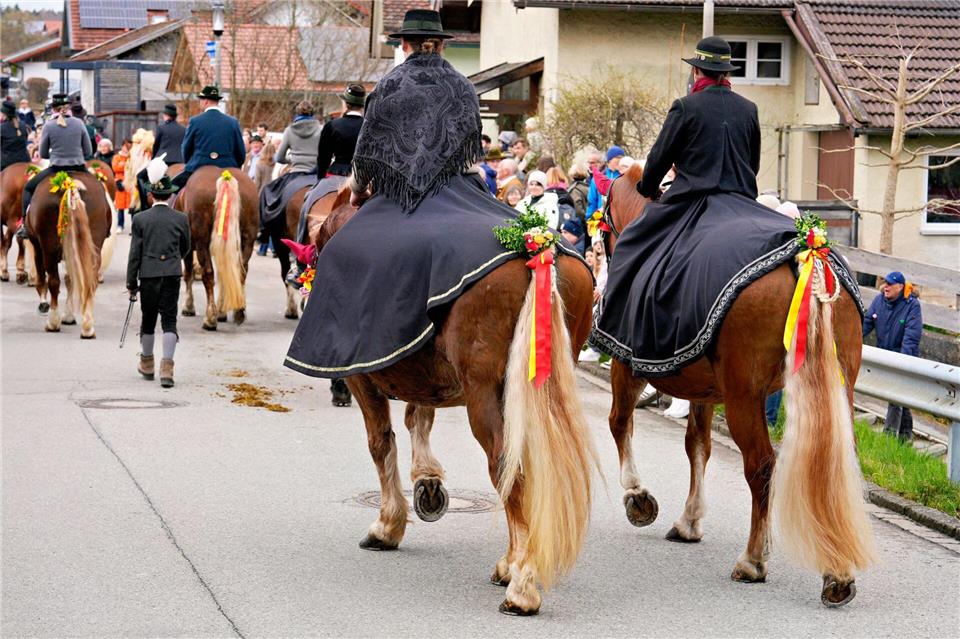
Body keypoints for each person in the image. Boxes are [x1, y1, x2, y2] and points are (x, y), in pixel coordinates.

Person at [591, 37, 812, 386]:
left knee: (633, 242)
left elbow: (656, 167)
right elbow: (751, 166)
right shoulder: (748, 109)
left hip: (691, 203)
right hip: (741, 202)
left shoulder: (685, 107)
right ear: (727, 72)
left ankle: (621, 336)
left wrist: (649, 189)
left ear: (696, 70)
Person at [287, 85, 366, 282]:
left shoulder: (333, 125)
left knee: (307, 203)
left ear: (345, 103)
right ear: (362, 105)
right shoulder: (369, 125)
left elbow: (322, 158)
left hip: (335, 176)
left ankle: (299, 263)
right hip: (362, 179)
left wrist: (321, 180)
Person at [127, 156, 192, 389]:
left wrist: (131, 282)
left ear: (151, 195)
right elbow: (186, 247)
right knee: (170, 320)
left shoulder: (140, 219)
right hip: (172, 273)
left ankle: (146, 363)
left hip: (148, 274)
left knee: (148, 319)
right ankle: (167, 367)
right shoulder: (181, 218)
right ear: (172, 195)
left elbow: (135, 253)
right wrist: (174, 261)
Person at [19, 93, 92, 238]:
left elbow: (44, 153)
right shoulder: (79, 123)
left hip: (56, 168)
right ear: (68, 107)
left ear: (53, 108)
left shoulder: (49, 125)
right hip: (79, 167)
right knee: (100, 188)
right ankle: (108, 221)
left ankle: (24, 225)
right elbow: (88, 151)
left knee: (28, 188)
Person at [863, 271, 922, 441]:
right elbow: (866, 324)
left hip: (902, 356)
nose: (886, 286)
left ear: (900, 287)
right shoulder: (879, 300)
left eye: (890, 284)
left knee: (895, 397)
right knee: (900, 398)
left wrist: (901, 364)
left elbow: (911, 337)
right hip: (884, 354)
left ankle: (888, 438)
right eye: (885, 283)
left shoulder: (912, 305)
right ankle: (905, 436)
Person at [170, 86, 246, 193]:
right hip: (228, 166)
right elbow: (240, 151)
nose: (200, 103)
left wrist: (190, 163)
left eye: (200, 100)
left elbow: (186, 148)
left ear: (205, 101)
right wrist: (235, 167)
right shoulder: (233, 122)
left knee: (171, 189)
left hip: (199, 165)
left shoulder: (195, 121)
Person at [587, 145, 624, 218]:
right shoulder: (598, 178)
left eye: (622, 158)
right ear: (610, 160)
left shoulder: (625, 176)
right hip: (601, 219)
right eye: (618, 158)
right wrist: (589, 219)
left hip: (621, 219)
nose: (621, 160)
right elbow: (592, 202)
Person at [1, 99, 31, 170]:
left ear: (4, 114)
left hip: (6, 163)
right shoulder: (23, 125)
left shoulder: (1, 128)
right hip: (24, 161)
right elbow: (25, 140)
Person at [112, 138, 132, 233]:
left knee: (132, 205)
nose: (127, 148)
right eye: (125, 146)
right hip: (120, 182)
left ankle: (133, 225)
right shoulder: (117, 157)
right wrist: (125, 166)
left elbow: (132, 168)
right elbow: (115, 167)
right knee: (120, 206)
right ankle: (120, 225)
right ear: (122, 146)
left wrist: (123, 165)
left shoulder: (132, 157)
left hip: (130, 182)